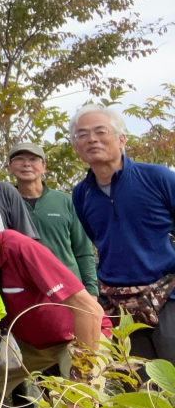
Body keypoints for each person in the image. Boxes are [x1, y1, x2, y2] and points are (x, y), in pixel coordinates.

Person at [0, 193, 105, 408]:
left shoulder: (20, 248)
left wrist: (81, 382)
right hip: (27, 345)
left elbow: (89, 310)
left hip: (77, 337)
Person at [71, 104, 175, 362]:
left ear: (121, 139)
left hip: (168, 295)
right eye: (82, 134)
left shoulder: (157, 178)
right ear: (76, 146)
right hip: (119, 305)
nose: (92, 139)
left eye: (100, 131)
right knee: (141, 387)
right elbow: (99, 240)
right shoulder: (81, 194)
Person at [7, 142, 97, 295]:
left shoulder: (67, 201)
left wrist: (91, 291)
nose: (26, 164)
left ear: (44, 167)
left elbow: (83, 251)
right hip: (24, 289)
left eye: (33, 159)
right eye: (19, 159)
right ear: (9, 167)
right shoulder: (4, 202)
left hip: (69, 287)